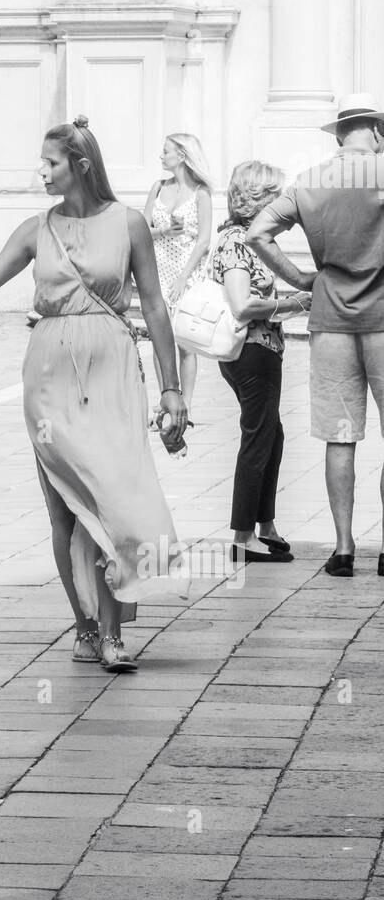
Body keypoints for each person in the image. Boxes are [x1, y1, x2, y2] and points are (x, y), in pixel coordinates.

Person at [0, 118, 189, 674]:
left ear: (80, 165)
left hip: (114, 370)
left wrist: (172, 389)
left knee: (114, 496)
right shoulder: (36, 229)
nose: (41, 172)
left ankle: (114, 631)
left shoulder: (129, 224)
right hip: (51, 374)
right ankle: (87, 626)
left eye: (49, 163)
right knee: (65, 507)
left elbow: (153, 305)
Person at [247, 93, 384, 578]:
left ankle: (344, 548)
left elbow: (257, 234)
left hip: (330, 318)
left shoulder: (309, 181)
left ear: (340, 133)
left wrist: (303, 278)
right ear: (375, 129)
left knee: (340, 437)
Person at [213, 162, 312, 566]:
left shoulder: (245, 239)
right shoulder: (238, 241)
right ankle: (242, 534)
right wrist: (294, 303)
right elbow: (243, 304)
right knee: (258, 438)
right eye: (278, 196)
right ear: (260, 199)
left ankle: (265, 525)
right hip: (252, 352)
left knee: (273, 434)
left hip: (260, 350)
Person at [143, 133, 213, 418]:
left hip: (187, 274)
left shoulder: (201, 194)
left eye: (166, 152)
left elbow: (204, 240)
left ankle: (188, 401)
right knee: (160, 339)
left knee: (185, 341)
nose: (161, 156)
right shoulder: (158, 187)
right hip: (157, 271)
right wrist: (163, 231)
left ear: (182, 156)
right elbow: (141, 228)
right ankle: (165, 398)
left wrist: (184, 277)